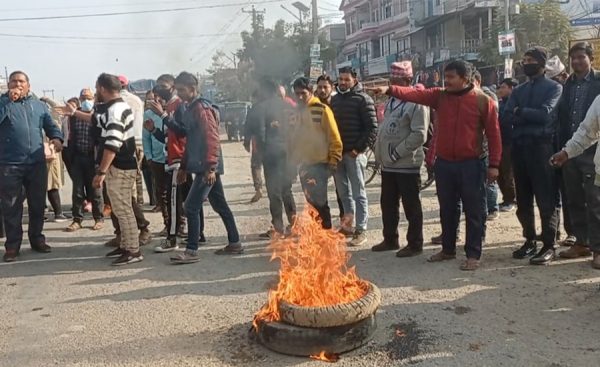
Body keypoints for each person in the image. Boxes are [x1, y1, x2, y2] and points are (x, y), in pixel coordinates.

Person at [369, 59, 501, 271]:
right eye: (445, 76)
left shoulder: (484, 101)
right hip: (445, 164)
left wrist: (494, 165)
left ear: (465, 78)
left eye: (450, 77)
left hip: (472, 164)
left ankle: (473, 254)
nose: (445, 81)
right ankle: (448, 249)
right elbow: (413, 94)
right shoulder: (439, 96)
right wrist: (389, 89)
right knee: (447, 209)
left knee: (474, 210)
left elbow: (494, 136)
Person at [157, 72, 242, 264]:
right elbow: (190, 140)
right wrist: (185, 168)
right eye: (177, 90)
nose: (180, 93)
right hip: (203, 165)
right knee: (220, 205)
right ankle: (235, 242)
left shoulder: (202, 109)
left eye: (182, 90)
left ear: (193, 88)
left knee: (191, 206)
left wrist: (211, 167)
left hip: (207, 167)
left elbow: (212, 138)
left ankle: (192, 251)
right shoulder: (191, 108)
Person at [58, 73, 143, 265]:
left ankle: (133, 250)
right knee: (120, 208)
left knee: (123, 210)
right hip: (117, 165)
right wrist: (74, 113)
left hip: (119, 166)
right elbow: (96, 120)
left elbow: (112, 144)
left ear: (103, 89)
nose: (95, 93)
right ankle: (126, 245)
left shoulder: (116, 110)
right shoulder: (113, 108)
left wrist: (101, 171)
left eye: (96, 89)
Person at [504, 47, 563, 265]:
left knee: (546, 199)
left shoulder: (554, 87)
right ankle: (529, 239)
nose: (526, 63)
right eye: (524, 59)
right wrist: (525, 114)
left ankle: (549, 244)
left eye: (530, 60)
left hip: (542, 148)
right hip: (520, 148)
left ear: (541, 63)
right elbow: (508, 114)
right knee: (524, 199)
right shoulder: (518, 90)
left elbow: (545, 115)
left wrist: (521, 113)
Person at [0, 71, 63, 262]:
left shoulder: (39, 105)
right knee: (11, 206)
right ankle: (12, 246)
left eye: (21, 81)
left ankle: (37, 239)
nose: (17, 85)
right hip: (9, 163)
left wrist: (57, 138)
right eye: (13, 81)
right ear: (8, 85)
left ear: (28, 85)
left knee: (37, 204)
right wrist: (8, 102)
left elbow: (51, 126)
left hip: (36, 162)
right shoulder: (2, 103)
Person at [370, 61, 429, 257]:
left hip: (406, 164)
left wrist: (396, 153)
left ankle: (415, 243)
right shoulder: (390, 102)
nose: (392, 84)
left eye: (396, 80)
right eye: (391, 80)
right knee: (388, 203)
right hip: (388, 166)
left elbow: (419, 134)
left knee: (411, 205)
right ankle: (390, 239)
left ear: (407, 80)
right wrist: (381, 155)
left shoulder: (417, 102)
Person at [549, 42, 600, 268]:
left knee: (595, 201)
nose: (577, 61)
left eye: (581, 57)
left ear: (590, 58)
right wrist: (564, 149)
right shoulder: (566, 84)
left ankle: (597, 248)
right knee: (574, 199)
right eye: (574, 58)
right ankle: (581, 242)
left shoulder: (599, 83)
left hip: (594, 152)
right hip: (570, 149)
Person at [147, 74, 196, 253]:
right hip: (171, 159)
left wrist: (163, 115)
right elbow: (168, 137)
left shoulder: (179, 105)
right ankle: (195, 234)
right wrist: (153, 130)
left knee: (173, 202)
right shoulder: (169, 106)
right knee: (186, 199)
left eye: (163, 86)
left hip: (178, 161)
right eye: (157, 86)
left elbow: (183, 132)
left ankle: (172, 238)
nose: (159, 89)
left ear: (172, 86)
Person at [331, 67, 378, 246]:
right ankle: (347, 225)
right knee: (344, 193)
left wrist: (357, 150)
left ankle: (361, 229)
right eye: (340, 79)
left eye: (346, 79)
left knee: (359, 193)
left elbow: (372, 128)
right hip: (338, 155)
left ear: (354, 80)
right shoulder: (334, 101)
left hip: (354, 155)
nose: (343, 82)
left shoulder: (363, 99)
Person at [246, 79, 297, 237]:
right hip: (288, 153)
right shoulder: (288, 105)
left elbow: (259, 132)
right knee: (286, 189)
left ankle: (278, 227)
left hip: (271, 155)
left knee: (274, 191)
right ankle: (293, 225)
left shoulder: (260, 107)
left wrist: (259, 151)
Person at [290, 77, 342, 229]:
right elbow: (293, 138)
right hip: (304, 164)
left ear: (311, 92)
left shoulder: (322, 110)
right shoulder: (296, 113)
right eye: (297, 94)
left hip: (320, 164)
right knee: (310, 202)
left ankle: (326, 236)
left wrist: (334, 160)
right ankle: (316, 236)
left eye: (303, 93)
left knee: (320, 202)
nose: (300, 97)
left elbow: (334, 137)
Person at [62, 89, 105, 232]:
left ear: (93, 98)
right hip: (78, 157)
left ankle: (98, 218)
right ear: (80, 99)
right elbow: (68, 136)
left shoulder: (98, 114)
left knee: (95, 190)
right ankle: (77, 220)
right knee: (78, 191)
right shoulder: (74, 116)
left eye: (89, 97)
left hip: (93, 158)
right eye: (83, 97)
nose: (86, 100)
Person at [316, 74, 345, 223]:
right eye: (319, 87)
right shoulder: (313, 106)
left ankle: (344, 221)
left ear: (331, 87)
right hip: (319, 156)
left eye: (325, 87)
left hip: (337, 153)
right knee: (319, 193)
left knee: (341, 190)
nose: (322, 90)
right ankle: (323, 225)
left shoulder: (338, 104)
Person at [472, 70, 500, 221]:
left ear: (478, 81)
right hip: (474, 147)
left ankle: (492, 208)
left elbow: (492, 122)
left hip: (487, 145)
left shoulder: (488, 97)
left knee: (489, 179)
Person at [143, 90, 168, 229]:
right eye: (150, 100)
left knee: (176, 193)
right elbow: (146, 137)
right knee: (161, 193)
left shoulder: (170, 112)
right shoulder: (147, 115)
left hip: (172, 158)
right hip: (157, 158)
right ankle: (167, 223)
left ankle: (180, 224)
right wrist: (149, 156)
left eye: (156, 98)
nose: (154, 101)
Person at [497, 78, 519, 212]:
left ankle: (511, 199)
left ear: (511, 88)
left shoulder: (516, 104)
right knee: (499, 171)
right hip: (500, 141)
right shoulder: (501, 104)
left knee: (508, 171)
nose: (500, 90)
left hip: (511, 142)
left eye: (503, 87)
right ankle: (506, 198)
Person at [244, 91, 264, 204]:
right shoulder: (269, 107)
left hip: (257, 141)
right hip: (270, 142)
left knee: (256, 166)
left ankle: (259, 189)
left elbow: (247, 127)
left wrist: (246, 142)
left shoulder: (253, 110)